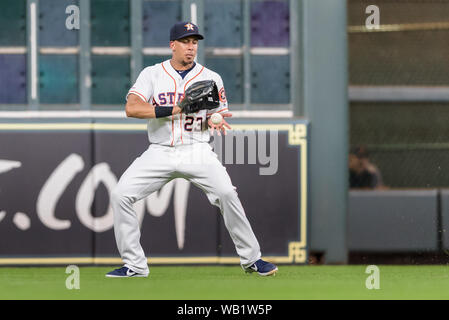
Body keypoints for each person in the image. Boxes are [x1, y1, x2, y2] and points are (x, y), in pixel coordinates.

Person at [106, 22, 278, 277]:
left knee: (227, 194)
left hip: (197, 148)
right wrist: (177, 108)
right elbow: (132, 108)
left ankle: (252, 259)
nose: (191, 47)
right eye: (185, 41)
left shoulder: (211, 78)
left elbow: (216, 114)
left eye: (195, 42)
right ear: (172, 45)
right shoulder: (152, 74)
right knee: (121, 194)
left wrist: (213, 120)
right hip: (160, 150)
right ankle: (135, 265)